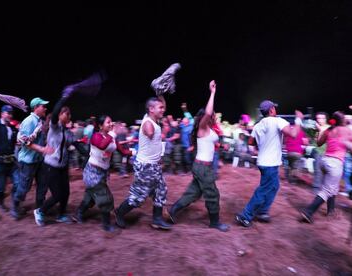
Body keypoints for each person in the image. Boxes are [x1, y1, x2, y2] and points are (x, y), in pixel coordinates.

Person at [168, 80, 229, 232]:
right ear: (204, 118)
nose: (213, 116)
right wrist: (213, 92)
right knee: (212, 194)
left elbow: (211, 143)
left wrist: (221, 146)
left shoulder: (209, 130)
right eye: (212, 115)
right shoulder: (202, 128)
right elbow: (208, 112)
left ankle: (172, 211)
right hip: (203, 167)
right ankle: (214, 222)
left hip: (201, 166)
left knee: (194, 192)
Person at [235, 100, 304, 227]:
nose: (275, 110)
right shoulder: (278, 121)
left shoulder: (258, 125)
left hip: (262, 161)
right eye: (274, 108)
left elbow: (250, 142)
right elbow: (293, 134)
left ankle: (263, 212)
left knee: (274, 186)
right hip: (270, 163)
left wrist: (262, 144)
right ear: (271, 110)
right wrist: (299, 119)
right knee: (263, 190)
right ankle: (245, 215)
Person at [115, 95, 172, 230]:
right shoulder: (147, 122)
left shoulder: (155, 121)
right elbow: (149, 132)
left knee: (160, 190)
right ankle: (119, 212)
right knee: (139, 196)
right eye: (160, 108)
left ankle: (157, 220)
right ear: (151, 109)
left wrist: (161, 95)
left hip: (154, 165)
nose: (163, 110)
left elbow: (158, 136)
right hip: (145, 166)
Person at [72, 115, 131, 232]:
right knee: (105, 198)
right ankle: (106, 225)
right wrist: (113, 133)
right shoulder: (96, 136)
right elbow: (102, 146)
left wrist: (138, 153)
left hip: (103, 173)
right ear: (100, 126)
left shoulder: (111, 138)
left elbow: (123, 151)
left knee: (91, 197)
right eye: (108, 122)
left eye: (111, 122)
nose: (111, 124)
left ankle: (78, 213)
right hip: (92, 172)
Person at [300, 111, 352, 223]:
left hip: (324, 161)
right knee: (327, 190)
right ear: (343, 120)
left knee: (332, 187)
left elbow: (319, 143)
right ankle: (308, 212)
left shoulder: (328, 129)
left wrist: (320, 131)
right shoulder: (347, 130)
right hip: (335, 163)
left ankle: (331, 211)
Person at [33, 96, 77, 226]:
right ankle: (40, 211)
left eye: (70, 114)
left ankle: (61, 214)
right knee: (57, 195)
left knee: (66, 193)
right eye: (67, 114)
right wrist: (63, 98)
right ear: (60, 115)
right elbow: (55, 113)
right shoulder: (54, 127)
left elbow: (77, 145)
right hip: (51, 166)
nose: (69, 116)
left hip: (63, 166)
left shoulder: (68, 132)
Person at [11, 97, 50, 219]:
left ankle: (39, 209)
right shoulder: (29, 121)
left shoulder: (39, 121)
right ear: (36, 107)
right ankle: (15, 206)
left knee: (43, 185)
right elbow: (24, 141)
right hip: (28, 161)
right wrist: (42, 149)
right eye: (43, 106)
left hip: (38, 160)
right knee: (24, 187)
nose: (45, 108)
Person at [311, 112, 330, 193]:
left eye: (321, 118)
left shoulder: (328, 128)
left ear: (326, 119)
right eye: (318, 118)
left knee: (327, 172)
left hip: (327, 153)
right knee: (317, 170)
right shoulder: (316, 129)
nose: (319, 120)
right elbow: (314, 142)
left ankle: (324, 189)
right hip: (318, 152)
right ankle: (316, 189)